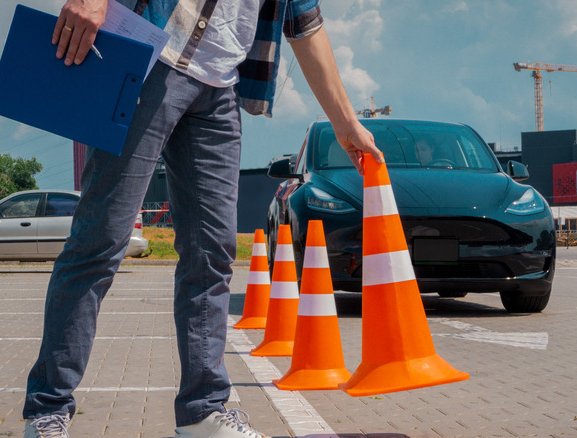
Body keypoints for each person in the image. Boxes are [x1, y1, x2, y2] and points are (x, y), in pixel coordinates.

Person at [21, 0, 383, 437]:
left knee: (211, 256)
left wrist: (345, 124)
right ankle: (48, 409)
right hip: (152, 61)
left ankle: (202, 414)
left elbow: (305, 25)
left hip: (220, 88)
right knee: (99, 242)